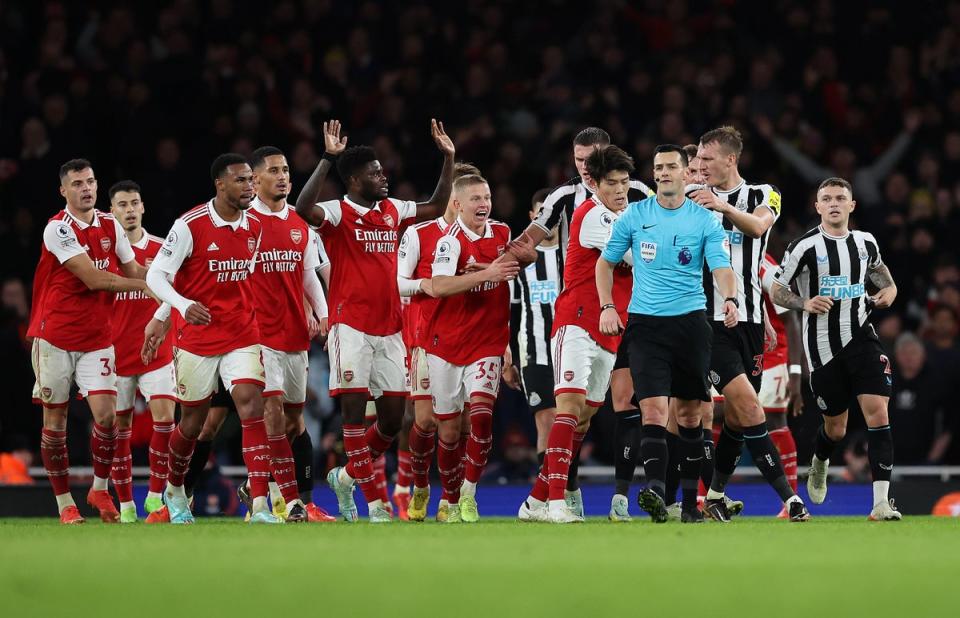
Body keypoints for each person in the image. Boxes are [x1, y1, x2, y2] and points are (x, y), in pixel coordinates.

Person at [293, 119, 457, 522]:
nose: (384, 177)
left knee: (391, 419)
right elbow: (302, 208)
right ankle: (374, 502)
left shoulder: (392, 210)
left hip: (391, 327)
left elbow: (435, 206)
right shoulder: (336, 213)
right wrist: (327, 159)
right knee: (353, 414)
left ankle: (347, 476)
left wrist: (449, 158)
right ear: (353, 179)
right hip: (349, 325)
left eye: (383, 170)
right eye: (374, 172)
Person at [142, 153, 283, 524]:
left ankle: (259, 505)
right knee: (192, 423)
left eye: (251, 180)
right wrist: (175, 308)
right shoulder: (189, 225)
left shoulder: (255, 224)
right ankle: (173, 490)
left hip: (242, 332)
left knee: (251, 406)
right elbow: (156, 276)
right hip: (197, 338)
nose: (249, 187)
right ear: (220, 184)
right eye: (240, 181)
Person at [522, 127, 653, 519]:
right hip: (577, 320)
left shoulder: (628, 213)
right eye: (611, 183)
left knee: (583, 416)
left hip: (609, 330)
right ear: (595, 183)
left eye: (624, 182)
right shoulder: (593, 214)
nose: (619, 190)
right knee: (570, 406)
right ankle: (558, 502)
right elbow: (636, 259)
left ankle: (534, 500)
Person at [689, 126, 806, 522]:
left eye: (707, 159)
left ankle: (715, 495)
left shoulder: (763, 193)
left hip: (753, 323)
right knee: (750, 407)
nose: (700, 166)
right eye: (698, 160)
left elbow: (758, 227)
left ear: (730, 160)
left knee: (739, 420)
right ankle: (791, 499)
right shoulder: (690, 199)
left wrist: (721, 208)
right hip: (709, 319)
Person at [29, 158, 153, 524]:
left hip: (98, 338)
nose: (86, 188)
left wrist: (171, 279)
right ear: (63, 190)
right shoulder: (57, 229)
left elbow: (133, 270)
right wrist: (151, 287)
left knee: (108, 418)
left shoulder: (110, 225)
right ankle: (65, 503)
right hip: (55, 336)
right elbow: (96, 280)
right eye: (78, 183)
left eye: (91, 181)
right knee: (56, 421)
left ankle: (99, 487)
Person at [771, 176, 901, 521]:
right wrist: (804, 302)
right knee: (836, 429)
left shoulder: (865, 242)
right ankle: (820, 461)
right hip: (823, 349)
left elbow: (883, 278)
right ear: (817, 207)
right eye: (826, 198)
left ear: (851, 205)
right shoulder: (804, 247)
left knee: (879, 413)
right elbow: (777, 290)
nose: (833, 203)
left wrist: (889, 292)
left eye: (840, 198)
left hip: (862, 337)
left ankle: (880, 503)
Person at [240, 145, 332, 522]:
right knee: (273, 415)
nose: (282, 176)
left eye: (286, 170)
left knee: (295, 423)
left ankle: (257, 485)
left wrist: (324, 315)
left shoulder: (300, 223)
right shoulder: (244, 223)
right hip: (258, 335)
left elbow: (309, 274)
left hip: (296, 336)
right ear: (256, 179)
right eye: (273, 170)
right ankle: (287, 503)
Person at [423, 174, 519, 522]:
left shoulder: (503, 234)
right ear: (458, 205)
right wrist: (485, 274)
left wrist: (508, 266)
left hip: (487, 343)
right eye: (476, 199)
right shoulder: (449, 243)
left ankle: (468, 494)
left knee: (480, 417)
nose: (484, 205)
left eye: (487, 197)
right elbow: (439, 286)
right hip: (446, 344)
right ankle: (449, 496)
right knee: (448, 432)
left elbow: (525, 260)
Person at [398, 161, 480, 522]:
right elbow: (397, 283)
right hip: (427, 340)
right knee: (427, 420)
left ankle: (452, 497)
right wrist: (426, 285)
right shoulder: (420, 234)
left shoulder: (484, 235)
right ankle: (419, 487)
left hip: (472, 340)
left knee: (462, 425)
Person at [107, 180, 177, 522]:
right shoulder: (102, 257)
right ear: (112, 212)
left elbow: (176, 297)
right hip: (115, 355)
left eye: (135, 203)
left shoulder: (164, 250)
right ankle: (125, 505)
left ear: (143, 207)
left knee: (165, 420)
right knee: (118, 428)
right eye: (122, 204)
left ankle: (153, 494)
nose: (130, 210)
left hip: (158, 352)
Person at [513, 189, 561, 479]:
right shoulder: (519, 261)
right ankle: (547, 492)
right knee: (548, 421)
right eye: (542, 213)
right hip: (534, 352)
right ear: (533, 218)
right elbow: (511, 314)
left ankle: (568, 489)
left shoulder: (576, 254)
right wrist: (509, 357)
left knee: (573, 424)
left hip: (571, 351)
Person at [758, 251, 805, 517]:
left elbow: (791, 319)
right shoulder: (715, 252)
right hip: (736, 354)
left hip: (773, 356)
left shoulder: (766, 266)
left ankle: (791, 499)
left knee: (775, 422)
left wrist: (795, 373)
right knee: (713, 418)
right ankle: (704, 498)